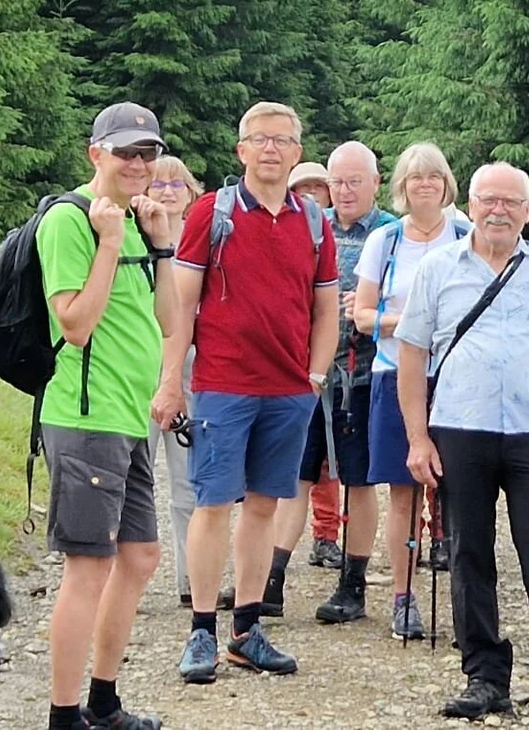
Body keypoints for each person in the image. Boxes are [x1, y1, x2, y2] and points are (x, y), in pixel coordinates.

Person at [396, 162, 529, 729]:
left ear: (528, 212)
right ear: (472, 204)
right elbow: (411, 356)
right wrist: (417, 437)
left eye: (511, 202)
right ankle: (484, 676)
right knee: (468, 556)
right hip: (460, 427)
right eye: (488, 200)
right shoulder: (438, 269)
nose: (498, 210)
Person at [157, 101, 339, 684]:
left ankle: (247, 630)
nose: (271, 149)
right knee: (212, 506)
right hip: (222, 386)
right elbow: (180, 309)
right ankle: (202, 633)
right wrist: (171, 382)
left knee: (263, 506)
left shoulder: (313, 222)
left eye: (282, 140)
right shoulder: (212, 212)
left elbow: (326, 310)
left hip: (288, 392)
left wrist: (313, 378)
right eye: (259, 139)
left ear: (296, 151)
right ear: (241, 150)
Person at [41, 102, 178, 730]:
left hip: (126, 420)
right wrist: (112, 242)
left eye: (147, 153)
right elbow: (74, 323)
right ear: (96, 153)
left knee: (141, 556)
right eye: (126, 152)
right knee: (89, 565)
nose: (139, 163)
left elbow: (171, 323)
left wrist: (162, 247)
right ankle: (64, 716)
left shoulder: (134, 221)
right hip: (85, 417)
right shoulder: (71, 221)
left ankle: (103, 701)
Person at [268, 143, 405, 618]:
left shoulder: (393, 233)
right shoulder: (310, 225)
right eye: (337, 182)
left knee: (359, 480)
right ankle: (271, 581)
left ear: (375, 182)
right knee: (295, 475)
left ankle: (353, 585)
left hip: (365, 376)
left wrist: (373, 308)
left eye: (353, 182)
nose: (343, 192)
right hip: (306, 374)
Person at [349, 142, 466, 639]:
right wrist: (415, 324)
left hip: (458, 377)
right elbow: (362, 315)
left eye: (433, 177)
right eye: (415, 177)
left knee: (461, 491)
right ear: (401, 186)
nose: (425, 185)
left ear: (446, 185)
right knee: (403, 492)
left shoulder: (466, 236)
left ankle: (466, 597)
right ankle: (403, 596)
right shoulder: (386, 240)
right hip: (396, 374)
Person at [146, 155, 207, 608]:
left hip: (191, 370)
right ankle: (120, 582)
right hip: (136, 369)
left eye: (176, 184)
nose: (167, 191)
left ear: (190, 192)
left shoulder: (203, 241)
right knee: (132, 479)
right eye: (158, 183)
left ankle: (192, 581)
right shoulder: (127, 233)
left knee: (188, 483)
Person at [282, 160, 346, 570]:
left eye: (316, 189)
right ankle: (272, 562)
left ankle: (328, 535)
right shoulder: (291, 231)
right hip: (292, 362)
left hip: (341, 364)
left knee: (333, 462)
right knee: (294, 461)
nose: (309, 197)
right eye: (301, 190)